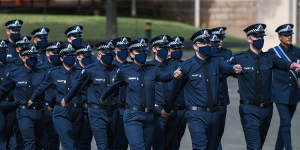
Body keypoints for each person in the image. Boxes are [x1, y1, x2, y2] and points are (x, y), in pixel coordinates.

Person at [228, 23, 300, 150]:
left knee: (258, 146)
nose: (260, 39)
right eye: (257, 37)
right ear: (249, 39)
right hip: (249, 109)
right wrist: (234, 72)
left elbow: (284, 64)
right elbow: (223, 69)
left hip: (267, 110)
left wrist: (294, 65)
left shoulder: (269, 57)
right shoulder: (240, 58)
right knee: (254, 146)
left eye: (262, 36)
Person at [100, 38, 176, 150]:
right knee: (138, 147)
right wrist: (103, 98)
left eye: (144, 51)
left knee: (146, 147)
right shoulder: (125, 70)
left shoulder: (152, 70)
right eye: (139, 52)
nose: (143, 54)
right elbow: (113, 86)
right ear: (131, 54)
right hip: (133, 116)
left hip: (150, 116)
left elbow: (164, 77)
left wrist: (175, 74)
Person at [173, 29, 242, 150]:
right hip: (196, 114)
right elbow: (176, 88)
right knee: (200, 146)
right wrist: (169, 109)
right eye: (203, 43)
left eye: (208, 43)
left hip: (215, 114)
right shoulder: (187, 65)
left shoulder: (217, 61)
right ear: (195, 46)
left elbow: (228, 67)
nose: (207, 45)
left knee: (213, 146)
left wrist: (234, 68)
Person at [30, 43, 84, 150]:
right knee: (68, 141)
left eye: (72, 55)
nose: (70, 58)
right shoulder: (54, 73)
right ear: (61, 58)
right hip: (61, 111)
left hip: (77, 110)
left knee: (76, 141)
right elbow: (42, 87)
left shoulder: (81, 72)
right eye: (67, 56)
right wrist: (32, 99)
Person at [0, 44, 46, 150]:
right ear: (24, 58)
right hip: (24, 112)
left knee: (40, 144)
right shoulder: (15, 73)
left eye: (35, 56)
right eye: (30, 57)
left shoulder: (43, 72)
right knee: (29, 142)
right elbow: (3, 89)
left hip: (40, 111)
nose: (33, 59)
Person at [269, 24, 300, 150]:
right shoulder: (273, 52)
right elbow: (278, 63)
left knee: (285, 125)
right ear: (280, 37)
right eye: (286, 35)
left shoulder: (298, 51)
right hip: (280, 94)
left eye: (290, 35)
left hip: (294, 93)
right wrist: (292, 66)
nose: (289, 37)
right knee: (286, 123)